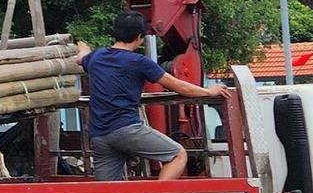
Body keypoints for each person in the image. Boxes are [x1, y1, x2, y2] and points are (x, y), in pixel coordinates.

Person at [75, 11, 229, 182]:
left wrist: (84, 51)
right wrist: (208, 91)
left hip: (99, 136)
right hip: (127, 130)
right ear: (140, 37)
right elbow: (180, 86)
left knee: (106, 192)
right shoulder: (140, 62)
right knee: (178, 155)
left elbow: (81, 58)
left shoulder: (96, 57)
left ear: (116, 32)